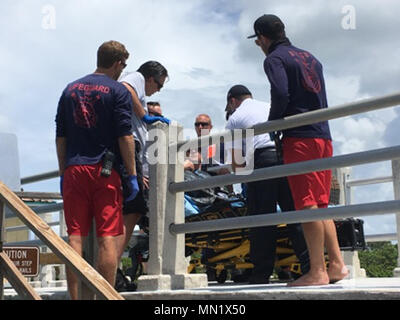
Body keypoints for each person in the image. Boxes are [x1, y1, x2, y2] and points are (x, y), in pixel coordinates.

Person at [248, 14, 348, 286]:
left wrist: (273, 123)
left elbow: (281, 93)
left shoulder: (274, 59)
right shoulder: (311, 58)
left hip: (300, 138)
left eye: (258, 40)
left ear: (263, 37)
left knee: (306, 205)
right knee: (321, 204)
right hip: (323, 136)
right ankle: (337, 265)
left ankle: (317, 271)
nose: (259, 44)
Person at [55, 40, 139, 299]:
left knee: (75, 238)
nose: (122, 71)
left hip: (74, 170)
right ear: (117, 63)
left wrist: (62, 173)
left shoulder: (69, 90)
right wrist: (133, 176)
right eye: (123, 66)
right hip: (105, 171)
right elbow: (126, 135)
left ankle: (76, 297)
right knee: (107, 238)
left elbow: (61, 136)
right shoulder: (117, 91)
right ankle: (105, 296)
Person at [225, 84, 310, 284]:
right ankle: (310, 266)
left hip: (262, 160)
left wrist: (244, 176)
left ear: (232, 101)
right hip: (285, 157)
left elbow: (237, 165)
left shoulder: (235, 118)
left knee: (261, 219)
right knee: (295, 216)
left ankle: (261, 274)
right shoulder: (268, 106)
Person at [116, 61, 170, 277]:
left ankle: (114, 266)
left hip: (134, 158)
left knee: (131, 212)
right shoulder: (136, 78)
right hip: (129, 151)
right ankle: (112, 266)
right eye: (159, 84)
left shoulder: (139, 85)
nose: (158, 89)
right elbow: (126, 89)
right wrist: (145, 116)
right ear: (149, 78)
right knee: (134, 210)